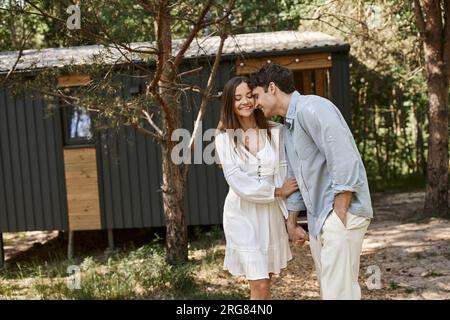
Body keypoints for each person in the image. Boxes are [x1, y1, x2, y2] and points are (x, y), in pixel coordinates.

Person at [251, 64, 373, 300]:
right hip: (320, 220)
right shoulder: (288, 127)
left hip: (339, 214)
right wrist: (292, 221)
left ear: (272, 89)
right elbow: (296, 178)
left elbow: (343, 156)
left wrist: (339, 210)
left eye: (257, 95)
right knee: (331, 292)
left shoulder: (312, 108)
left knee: (340, 294)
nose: (256, 103)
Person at [215, 76, 299, 300]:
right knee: (260, 284)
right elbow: (236, 180)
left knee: (266, 281)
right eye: (237, 98)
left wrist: (290, 219)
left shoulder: (276, 131)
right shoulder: (224, 139)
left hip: (269, 215)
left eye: (250, 96)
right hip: (241, 213)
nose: (245, 102)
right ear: (229, 104)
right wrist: (276, 191)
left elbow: (284, 172)